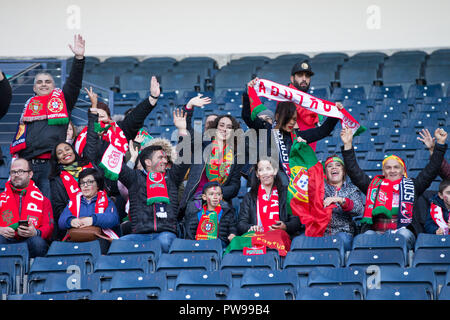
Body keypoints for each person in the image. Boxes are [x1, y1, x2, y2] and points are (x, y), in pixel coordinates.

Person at [340, 127, 448, 250]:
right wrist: (347, 145)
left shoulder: (412, 186)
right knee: (366, 237)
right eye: (388, 167)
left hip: (403, 232)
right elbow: (354, 172)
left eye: (396, 167)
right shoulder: (374, 185)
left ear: (403, 171)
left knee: (403, 234)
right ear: (383, 171)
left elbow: (431, 170)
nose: (392, 170)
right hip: (376, 232)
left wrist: (439, 145)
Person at [10, 34, 86, 199]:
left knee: (50, 207)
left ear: (54, 86)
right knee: (25, 206)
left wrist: (79, 58)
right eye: (39, 82)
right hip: (27, 165)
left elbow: (73, 84)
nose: (43, 84)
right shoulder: (27, 108)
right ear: (34, 88)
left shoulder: (62, 101)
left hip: (49, 165)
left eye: (48, 81)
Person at [242, 78, 341, 186]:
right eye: (288, 119)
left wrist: (335, 114)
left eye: (294, 119)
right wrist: (247, 93)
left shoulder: (297, 136)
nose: (291, 123)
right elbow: (247, 117)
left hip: (287, 189)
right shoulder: (265, 129)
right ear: (278, 117)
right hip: (263, 184)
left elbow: (322, 131)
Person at [117, 108, 190, 252]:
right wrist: (132, 158)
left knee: (164, 242)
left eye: (165, 157)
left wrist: (182, 130)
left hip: (165, 233)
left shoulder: (172, 177)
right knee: (119, 244)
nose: (165, 160)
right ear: (148, 162)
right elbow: (118, 170)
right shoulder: (135, 178)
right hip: (139, 234)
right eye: (160, 157)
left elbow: (185, 157)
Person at [179, 112, 244, 220]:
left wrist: (216, 193)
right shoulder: (202, 145)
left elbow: (234, 186)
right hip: (198, 199)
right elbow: (187, 132)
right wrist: (189, 108)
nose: (224, 129)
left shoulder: (236, 156)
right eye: (221, 125)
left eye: (229, 127)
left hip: (220, 201)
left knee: (226, 215)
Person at [0, 158, 53, 257]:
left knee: (38, 242)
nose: (16, 175)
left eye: (20, 171)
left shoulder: (43, 200)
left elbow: (49, 226)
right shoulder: (1, 198)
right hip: (6, 239)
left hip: (30, 241)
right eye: (13, 172)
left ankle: (33, 271)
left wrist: (36, 232)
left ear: (30, 174)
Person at [58, 168, 119, 254]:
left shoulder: (106, 200)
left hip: (99, 238)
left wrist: (93, 220)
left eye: (90, 182)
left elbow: (113, 219)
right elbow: (61, 221)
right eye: (82, 183)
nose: (85, 185)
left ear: (98, 185)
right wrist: (70, 221)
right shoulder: (74, 201)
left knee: (99, 247)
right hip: (77, 237)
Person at [237, 158, 301, 236]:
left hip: (280, 239)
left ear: (275, 171)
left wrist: (285, 226)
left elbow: (296, 221)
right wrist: (251, 227)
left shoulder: (286, 194)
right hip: (255, 239)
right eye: (261, 170)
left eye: (268, 169)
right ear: (257, 174)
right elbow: (241, 224)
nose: (265, 173)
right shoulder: (250, 196)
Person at [48, 141, 97, 240]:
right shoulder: (56, 179)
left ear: (73, 151)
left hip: (97, 215)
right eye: (60, 152)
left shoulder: (90, 166)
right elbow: (59, 207)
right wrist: (72, 220)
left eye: (67, 149)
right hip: (74, 223)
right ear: (58, 160)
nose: (65, 153)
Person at [323, 155, 364, 251]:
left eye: (338, 165)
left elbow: (359, 210)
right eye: (330, 166)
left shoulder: (352, 189)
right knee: (302, 241)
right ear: (326, 172)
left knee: (341, 241)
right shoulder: (319, 188)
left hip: (343, 231)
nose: (334, 167)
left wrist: (341, 200)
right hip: (320, 231)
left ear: (344, 171)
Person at [184, 181, 237, 248]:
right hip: (200, 246)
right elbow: (190, 235)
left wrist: (232, 235)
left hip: (220, 246)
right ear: (204, 197)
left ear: (221, 197)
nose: (215, 197)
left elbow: (232, 229)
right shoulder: (197, 215)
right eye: (211, 194)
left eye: (218, 194)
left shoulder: (227, 214)